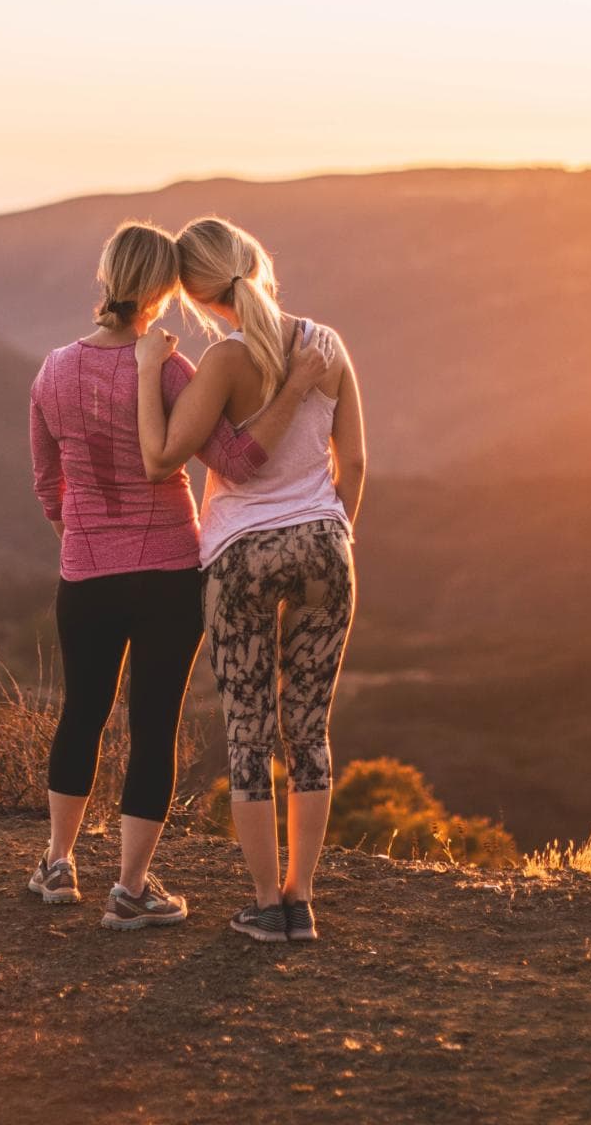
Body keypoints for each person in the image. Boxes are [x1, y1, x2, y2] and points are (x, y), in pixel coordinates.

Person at [25, 220, 326, 930]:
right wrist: (294, 397)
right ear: (164, 292)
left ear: (105, 280)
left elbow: (46, 482)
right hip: (167, 574)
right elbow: (237, 461)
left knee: (82, 712)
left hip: (87, 573)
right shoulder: (172, 371)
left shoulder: (53, 371)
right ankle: (130, 889)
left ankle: (58, 864)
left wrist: (84, 537)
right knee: (153, 725)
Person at [134, 216, 365, 944]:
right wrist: (335, 533)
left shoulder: (226, 364)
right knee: (309, 729)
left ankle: (268, 903)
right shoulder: (326, 346)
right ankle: (303, 899)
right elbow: (353, 464)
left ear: (199, 298)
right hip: (327, 546)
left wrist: (148, 373)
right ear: (258, 261)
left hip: (242, 558)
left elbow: (179, 456)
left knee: (249, 732)